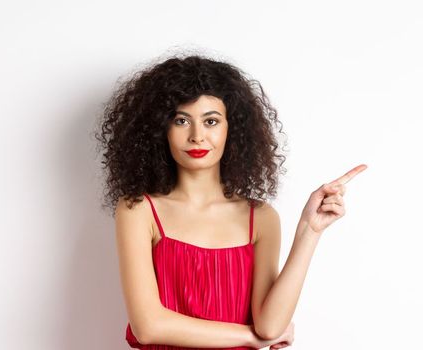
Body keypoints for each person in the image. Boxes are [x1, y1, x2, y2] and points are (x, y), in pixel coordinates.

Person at [96, 53, 366, 349]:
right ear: (161, 129)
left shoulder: (261, 217)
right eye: (181, 121)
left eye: (211, 121)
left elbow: (270, 325)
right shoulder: (138, 210)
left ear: (232, 128)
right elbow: (148, 327)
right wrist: (251, 337)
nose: (197, 136)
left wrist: (309, 231)